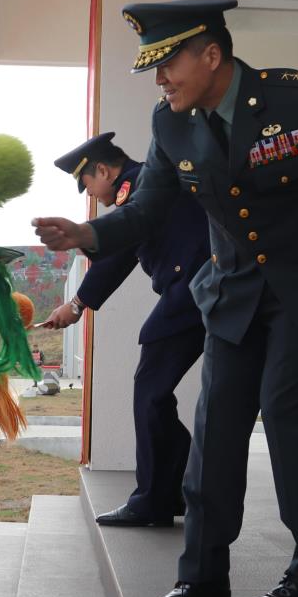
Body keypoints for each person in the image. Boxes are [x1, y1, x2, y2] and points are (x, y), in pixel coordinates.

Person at [33, 0, 298, 597]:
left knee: (288, 418)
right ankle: (201, 577)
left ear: (212, 55)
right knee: (215, 430)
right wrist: (86, 236)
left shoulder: (296, 100)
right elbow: (145, 209)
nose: (160, 79)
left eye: (168, 63)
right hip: (232, 294)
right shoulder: (170, 124)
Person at [44, 133, 209, 526]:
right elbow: (119, 256)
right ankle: (174, 489)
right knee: (154, 393)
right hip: (194, 288)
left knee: (150, 391)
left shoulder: (138, 187)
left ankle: (153, 499)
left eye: (87, 183)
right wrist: (77, 305)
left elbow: (115, 253)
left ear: (103, 170)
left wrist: (77, 304)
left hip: (191, 290)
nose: (90, 193)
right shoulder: (138, 187)